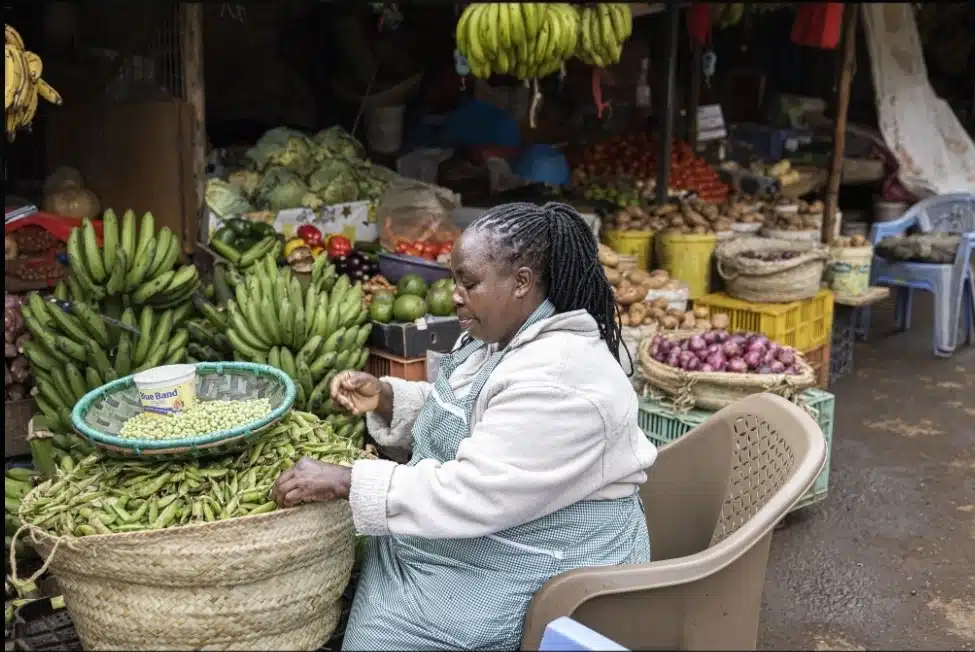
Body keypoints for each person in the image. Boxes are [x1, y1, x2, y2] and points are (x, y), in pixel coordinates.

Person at [272, 202, 658, 651]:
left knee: (383, 635)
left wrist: (347, 480)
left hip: (543, 565)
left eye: (468, 283)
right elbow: (471, 414)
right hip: (497, 532)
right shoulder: (498, 339)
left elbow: (476, 490)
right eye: (453, 280)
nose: (454, 294)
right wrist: (387, 398)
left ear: (522, 283)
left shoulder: (560, 379)